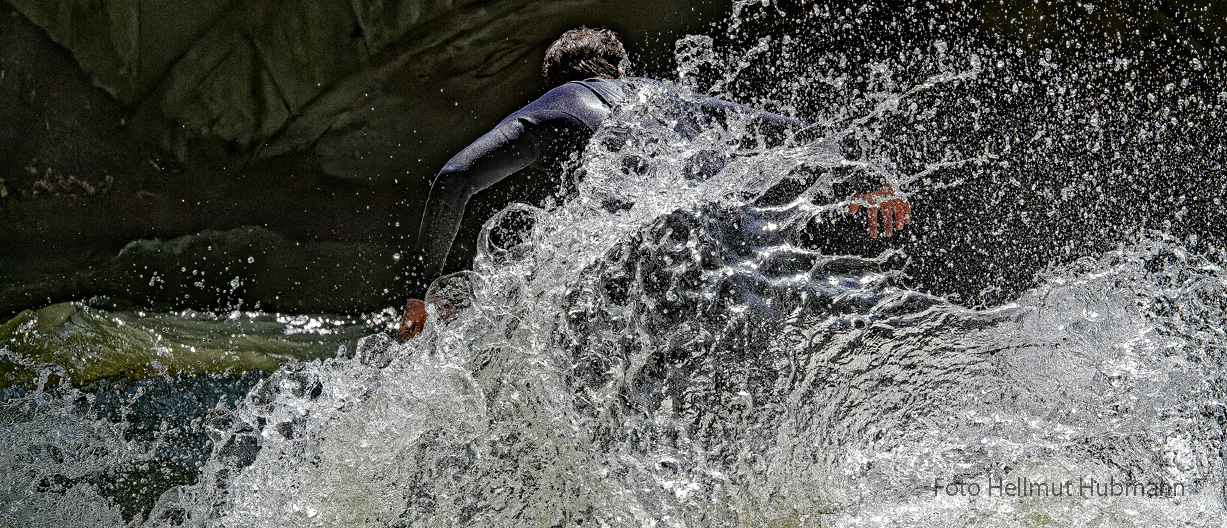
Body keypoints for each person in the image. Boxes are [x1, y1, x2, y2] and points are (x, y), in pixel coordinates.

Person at [398, 27, 909, 339]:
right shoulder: (671, 100)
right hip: (726, 273)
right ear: (622, 69)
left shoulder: (559, 103)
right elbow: (788, 133)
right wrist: (868, 177)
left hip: (635, 283)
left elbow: (453, 179)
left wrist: (418, 292)